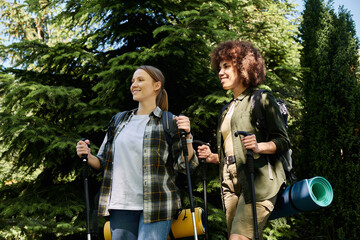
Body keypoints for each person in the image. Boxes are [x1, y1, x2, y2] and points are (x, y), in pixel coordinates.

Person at [76, 65, 198, 240]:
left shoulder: (169, 121)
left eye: (140, 80)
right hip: (121, 204)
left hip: (158, 204)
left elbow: (185, 165)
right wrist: (87, 154)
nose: (134, 84)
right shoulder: (118, 121)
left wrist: (188, 137)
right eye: (133, 81)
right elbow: (102, 161)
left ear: (157, 85)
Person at [197, 40, 290, 240]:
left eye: (226, 66)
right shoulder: (226, 109)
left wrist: (259, 146)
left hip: (258, 179)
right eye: (219, 67)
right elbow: (232, 151)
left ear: (243, 67)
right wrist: (213, 157)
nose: (220, 72)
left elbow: (283, 141)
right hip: (229, 182)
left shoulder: (262, 99)